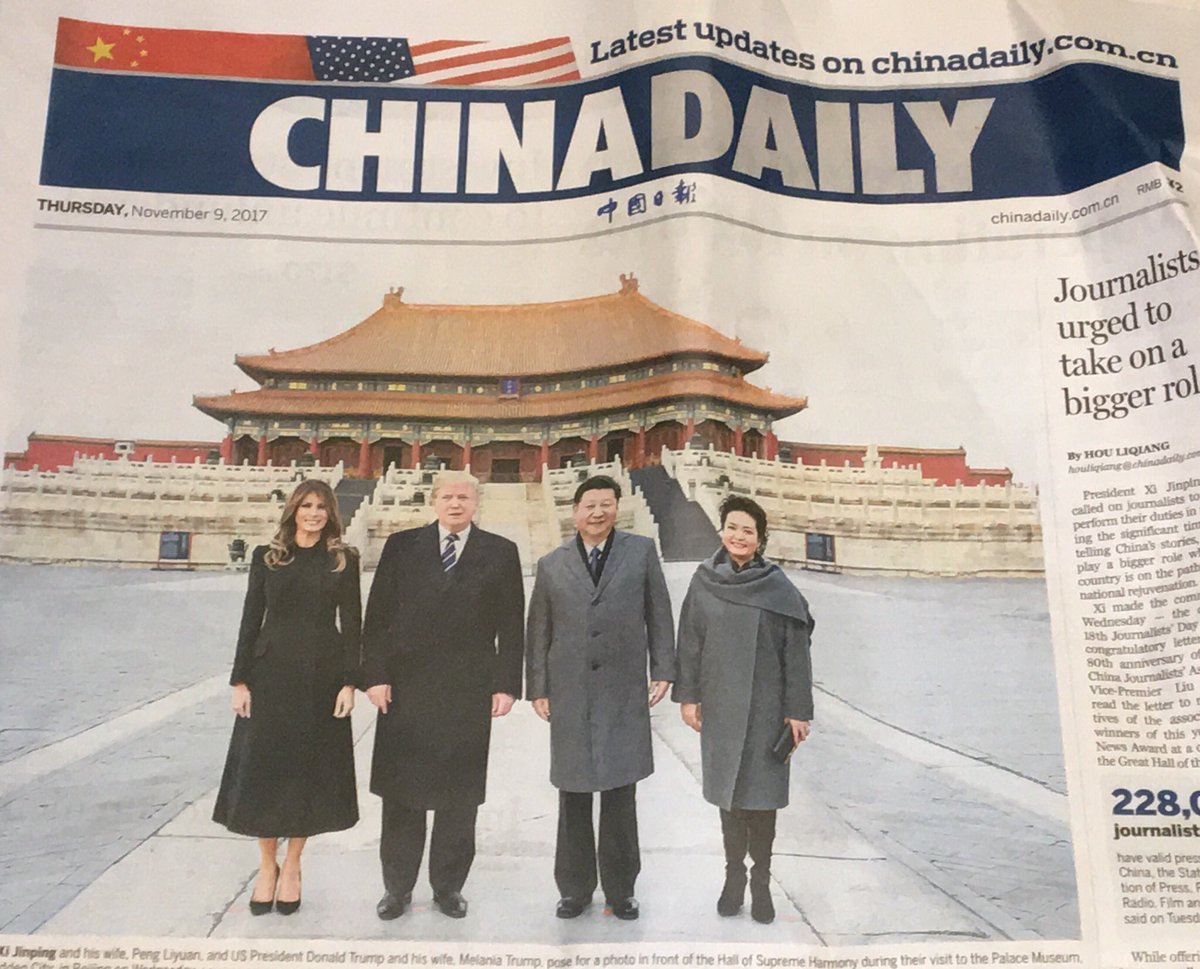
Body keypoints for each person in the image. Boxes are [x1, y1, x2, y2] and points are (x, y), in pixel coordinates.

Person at [362, 470, 524, 921]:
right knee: (401, 795)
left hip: (467, 690)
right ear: (433, 501)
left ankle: (448, 888)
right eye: (448, 497)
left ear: (477, 504)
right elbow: (376, 617)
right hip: (405, 689)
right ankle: (397, 889)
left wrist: (507, 683)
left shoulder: (500, 551)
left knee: (459, 796)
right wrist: (374, 676)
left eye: (464, 498)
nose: (456, 504)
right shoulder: (401, 546)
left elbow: (513, 625)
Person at [526, 474, 676, 921]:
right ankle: (573, 890)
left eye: (606, 504)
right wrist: (538, 687)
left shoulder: (641, 552)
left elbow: (660, 613)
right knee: (572, 793)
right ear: (574, 512)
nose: (598, 512)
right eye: (589, 505)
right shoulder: (552, 564)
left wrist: (663, 670)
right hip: (570, 691)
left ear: (617, 508)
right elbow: (539, 632)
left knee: (619, 790)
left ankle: (621, 889)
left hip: (621, 689)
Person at [212, 478, 361, 917]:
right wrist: (241, 681)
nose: (313, 513)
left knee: (307, 772)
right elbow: (250, 619)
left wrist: (349, 682)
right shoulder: (267, 557)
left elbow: (353, 623)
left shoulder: (342, 560)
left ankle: (293, 865)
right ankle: (266, 866)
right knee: (265, 769)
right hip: (270, 674)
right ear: (293, 510)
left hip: (321, 677)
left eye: (320, 506)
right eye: (305, 505)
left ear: (331, 513)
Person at [673, 494, 814, 924]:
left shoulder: (777, 586)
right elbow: (690, 642)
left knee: (762, 800)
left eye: (747, 531)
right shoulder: (703, 581)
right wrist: (689, 697)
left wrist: (798, 710)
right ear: (722, 531)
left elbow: (796, 653)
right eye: (732, 527)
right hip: (720, 706)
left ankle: (762, 881)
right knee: (729, 799)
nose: (738, 536)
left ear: (760, 539)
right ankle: (734, 876)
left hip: (768, 708)